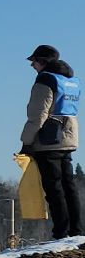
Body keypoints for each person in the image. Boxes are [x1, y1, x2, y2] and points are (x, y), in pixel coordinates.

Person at [21, 45, 81, 239]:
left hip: (48, 140)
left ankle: (61, 233)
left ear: (43, 62)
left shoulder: (45, 80)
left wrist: (27, 142)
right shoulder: (70, 80)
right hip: (68, 136)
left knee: (54, 188)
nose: (32, 65)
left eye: (34, 61)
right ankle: (76, 230)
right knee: (68, 186)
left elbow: (38, 115)